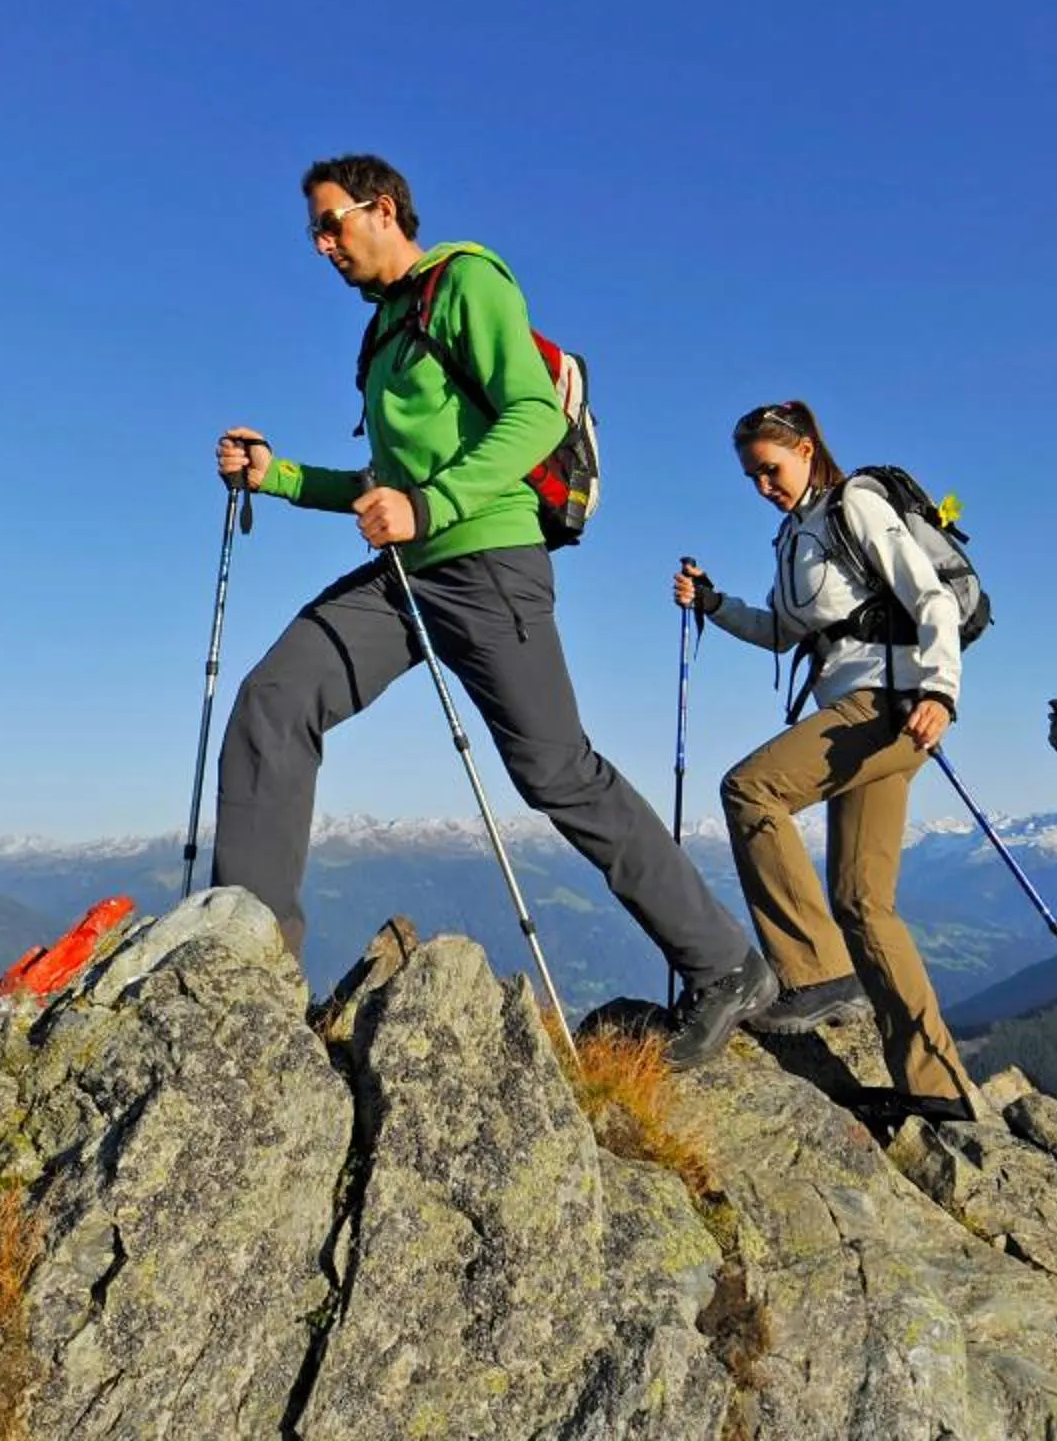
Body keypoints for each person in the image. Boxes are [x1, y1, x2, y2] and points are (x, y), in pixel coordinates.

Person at [212, 154, 774, 1064]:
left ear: (383, 209)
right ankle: (249, 974)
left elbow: (533, 418)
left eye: (331, 224)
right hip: (409, 574)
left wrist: (427, 506)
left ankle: (725, 966)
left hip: (488, 563)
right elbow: (384, 484)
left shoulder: (466, 282)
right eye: (312, 232)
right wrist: (274, 475)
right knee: (275, 698)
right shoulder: (386, 332)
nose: (321, 246)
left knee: (557, 773)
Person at [672, 400, 983, 1122]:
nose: (762, 486)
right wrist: (714, 605)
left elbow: (930, 596)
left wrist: (941, 688)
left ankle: (812, 970)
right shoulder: (796, 535)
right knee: (864, 905)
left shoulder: (857, 506)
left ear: (807, 449)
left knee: (749, 790)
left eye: (770, 469)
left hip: (888, 706)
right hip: (860, 714)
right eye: (751, 476)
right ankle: (935, 1089)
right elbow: (785, 631)